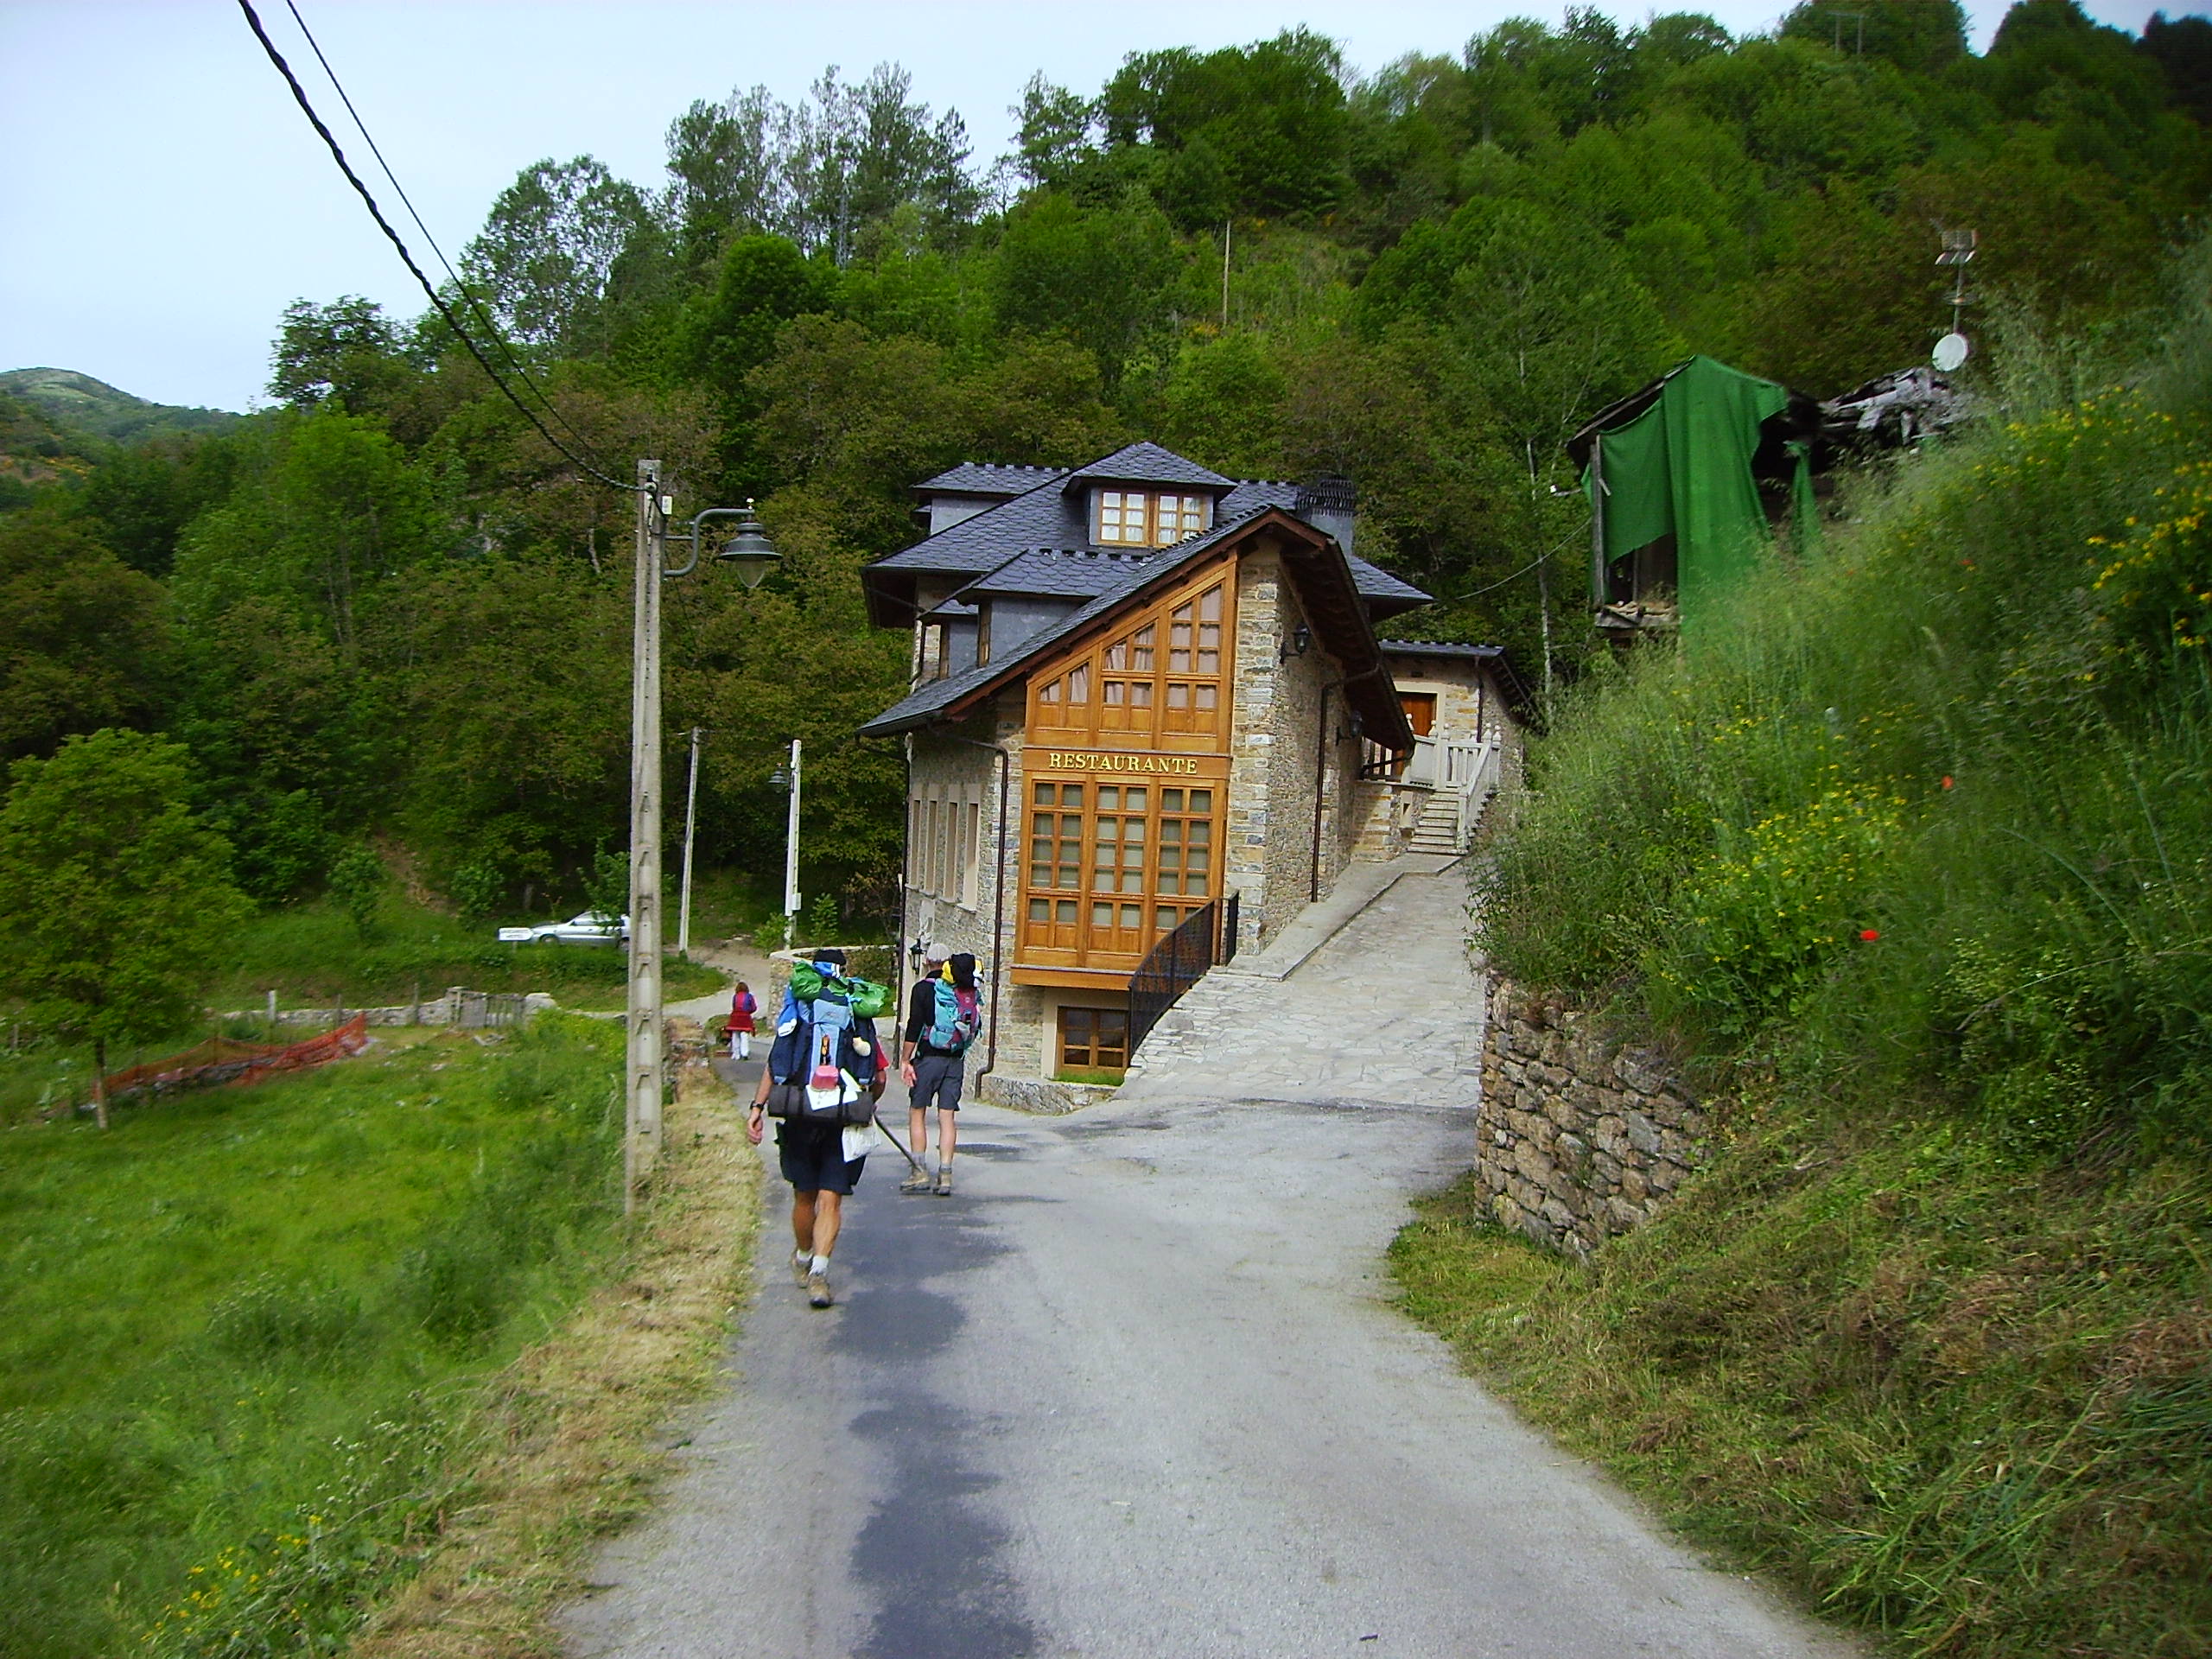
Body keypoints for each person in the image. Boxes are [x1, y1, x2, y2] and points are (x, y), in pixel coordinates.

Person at [745, 950, 886, 1309]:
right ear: (844, 972)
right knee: (831, 1198)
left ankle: (805, 1258)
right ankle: (819, 1274)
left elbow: (776, 1064)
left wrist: (757, 1109)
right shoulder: (855, 1008)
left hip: (800, 1113)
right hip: (843, 1116)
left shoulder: (802, 1007)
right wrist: (866, 1102)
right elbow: (880, 1076)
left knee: (804, 1196)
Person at [899, 946, 982, 1198]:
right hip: (955, 1060)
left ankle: (919, 1172)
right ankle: (945, 1175)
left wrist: (905, 1059)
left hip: (929, 1058)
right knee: (947, 1117)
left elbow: (915, 1025)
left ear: (927, 961)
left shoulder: (923, 989)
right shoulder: (963, 990)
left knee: (917, 1112)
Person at [727, 980, 756, 1060]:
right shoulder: (749, 996)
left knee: (735, 1035)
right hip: (745, 1017)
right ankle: (745, 1053)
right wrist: (748, 1012)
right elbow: (754, 1007)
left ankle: (736, 1053)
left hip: (735, 1017)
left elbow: (733, 1006)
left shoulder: (735, 996)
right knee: (744, 1035)